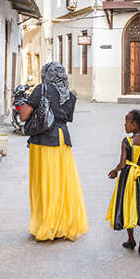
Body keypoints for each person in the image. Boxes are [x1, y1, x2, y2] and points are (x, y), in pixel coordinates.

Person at [19, 62, 88, 241]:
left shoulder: (42, 89)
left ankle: (47, 225)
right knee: (62, 184)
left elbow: (23, 115)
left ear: (46, 74)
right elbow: (67, 118)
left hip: (43, 140)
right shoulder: (70, 95)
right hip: (62, 140)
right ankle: (62, 226)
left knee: (44, 184)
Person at [106, 109, 140, 255]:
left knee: (127, 205)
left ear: (135, 125)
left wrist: (115, 171)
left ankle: (131, 239)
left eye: (127, 122)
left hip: (129, 179)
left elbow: (123, 163)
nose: (125, 125)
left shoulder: (127, 142)